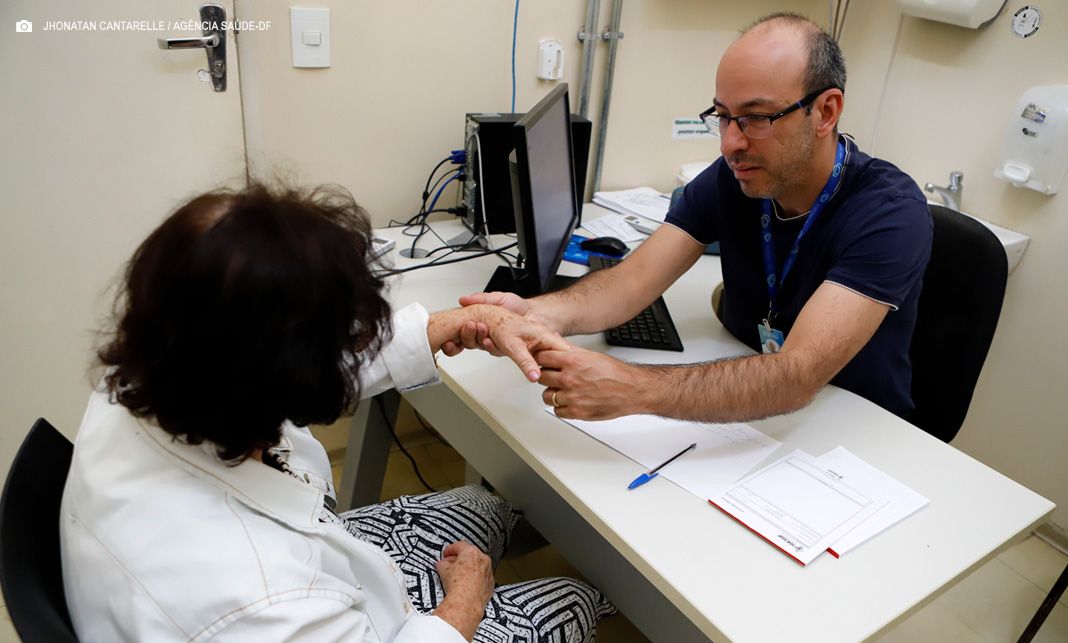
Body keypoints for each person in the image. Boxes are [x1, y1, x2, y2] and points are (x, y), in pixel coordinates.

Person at [59, 183, 616, 642]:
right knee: (571, 598)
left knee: (482, 506)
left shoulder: (153, 369)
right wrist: (464, 604)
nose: (356, 349)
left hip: (303, 565)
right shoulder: (260, 598)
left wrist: (447, 324)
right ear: (295, 376)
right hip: (311, 610)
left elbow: (277, 348)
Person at [458, 12, 932, 423]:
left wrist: (633, 387)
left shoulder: (889, 213)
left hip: (850, 432)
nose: (730, 143)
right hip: (757, 409)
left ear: (825, 111)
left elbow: (796, 375)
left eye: (757, 117)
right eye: (723, 116)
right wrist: (539, 313)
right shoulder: (737, 177)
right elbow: (631, 283)